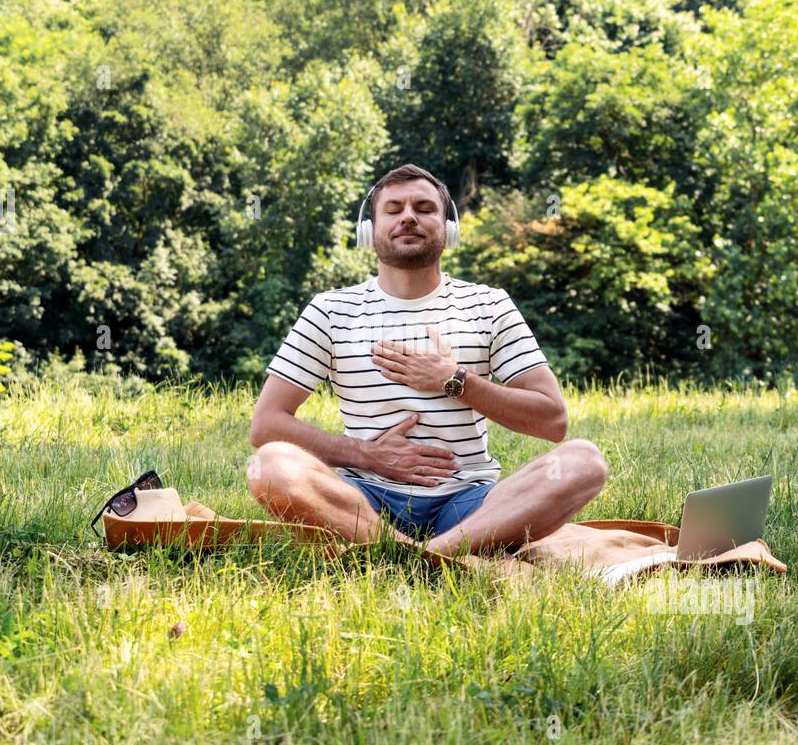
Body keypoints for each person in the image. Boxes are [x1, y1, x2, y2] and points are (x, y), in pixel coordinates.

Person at [246, 164, 608, 564]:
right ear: (369, 229)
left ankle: (417, 555)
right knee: (269, 464)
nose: (408, 217)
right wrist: (367, 455)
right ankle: (422, 552)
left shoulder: (490, 305)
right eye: (394, 208)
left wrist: (455, 381)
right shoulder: (330, 310)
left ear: (448, 229)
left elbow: (551, 420)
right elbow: (267, 425)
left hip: (469, 502)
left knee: (584, 462)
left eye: (424, 207)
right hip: (362, 501)